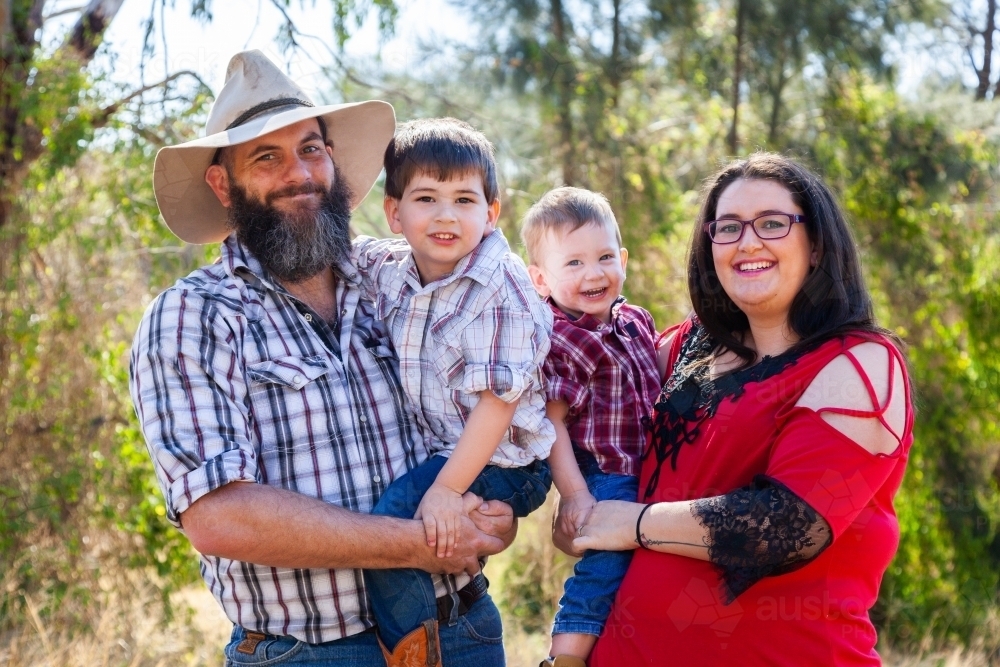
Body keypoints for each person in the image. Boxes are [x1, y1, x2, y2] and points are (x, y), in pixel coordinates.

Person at [129, 50, 516, 667]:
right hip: (309, 653)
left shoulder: (403, 282)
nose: (299, 173)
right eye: (267, 157)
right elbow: (220, 515)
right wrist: (415, 544)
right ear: (222, 183)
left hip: (463, 632)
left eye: (311, 149)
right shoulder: (194, 317)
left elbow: (487, 400)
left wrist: (493, 515)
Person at [572, 153, 913, 666]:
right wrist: (578, 505)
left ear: (816, 245)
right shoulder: (683, 345)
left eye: (773, 224)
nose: (748, 242)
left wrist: (631, 523)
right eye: (727, 228)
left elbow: (784, 528)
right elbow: (584, 410)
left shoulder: (860, 364)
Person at [351, 117, 554, 658]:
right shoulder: (391, 269)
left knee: (396, 521)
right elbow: (343, 246)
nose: (446, 215)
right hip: (451, 451)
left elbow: (498, 403)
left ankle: (431, 648)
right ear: (395, 213)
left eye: (465, 200)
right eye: (425, 198)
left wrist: (445, 490)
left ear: (491, 213)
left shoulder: (501, 285)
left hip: (507, 460)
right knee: (405, 524)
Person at [518, 187, 660, 667]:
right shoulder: (563, 337)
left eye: (603, 257)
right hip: (607, 474)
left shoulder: (636, 321)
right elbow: (552, 425)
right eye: (573, 264)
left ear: (623, 259)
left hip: (654, 469)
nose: (594, 273)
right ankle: (566, 656)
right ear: (541, 279)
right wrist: (576, 495)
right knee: (606, 562)